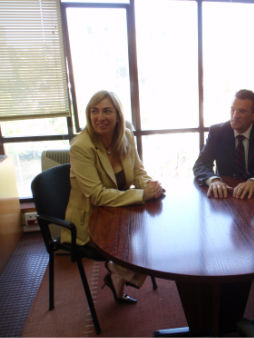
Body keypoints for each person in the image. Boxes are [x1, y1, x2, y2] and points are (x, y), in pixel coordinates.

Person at [62, 90, 164, 304]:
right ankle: (117, 270)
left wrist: (150, 186)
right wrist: (140, 194)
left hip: (118, 212)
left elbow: (138, 173)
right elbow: (97, 195)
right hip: (91, 220)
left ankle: (118, 272)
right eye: (94, 111)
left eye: (107, 111)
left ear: (118, 115)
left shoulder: (125, 135)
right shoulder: (81, 146)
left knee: (157, 235)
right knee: (144, 242)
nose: (100, 117)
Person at [193, 89, 254, 199]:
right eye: (232, 110)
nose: (235, 116)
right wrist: (214, 180)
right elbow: (200, 164)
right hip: (226, 193)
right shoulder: (217, 132)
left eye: (242, 111)